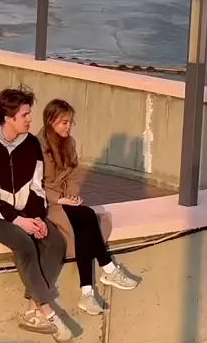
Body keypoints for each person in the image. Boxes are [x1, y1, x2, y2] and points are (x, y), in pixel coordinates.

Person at [0, 87, 72, 343]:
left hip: (22, 213)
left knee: (55, 242)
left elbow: (36, 186)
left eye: (29, 113)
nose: (30, 119)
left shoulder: (30, 144)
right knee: (23, 242)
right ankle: (47, 312)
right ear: (7, 118)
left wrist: (37, 217)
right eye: (25, 115)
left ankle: (32, 310)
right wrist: (19, 221)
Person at [39, 99, 139, 316]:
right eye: (64, 122)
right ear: (51, 121)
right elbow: (34, 185)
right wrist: (60, 199)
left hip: (65, 199)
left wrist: (71, 194)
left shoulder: (69, 143)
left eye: (70, 122)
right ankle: (107, 270)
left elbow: (74, 173)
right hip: (46, 202)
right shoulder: (37, 146)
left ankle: (88, 292)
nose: (68, 127)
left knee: (86, 219)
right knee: (86, 218)